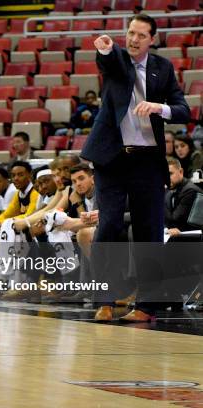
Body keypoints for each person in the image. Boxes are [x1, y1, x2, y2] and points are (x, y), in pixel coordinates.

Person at [81, 14, 190, 322]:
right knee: (109, 225)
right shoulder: (117, 62)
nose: (133, 39)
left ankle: (146, 306)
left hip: (147, 162)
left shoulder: (162, 68)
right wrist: (106, 49)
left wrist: (160, 107)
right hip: (112, 160)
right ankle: (105, 300)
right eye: (130, 33)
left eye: (141, 35)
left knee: (148, 233)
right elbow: (111, 62)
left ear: (151, 39)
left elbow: (183, 110)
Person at [165, 157, 202, 237]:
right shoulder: (170, 188)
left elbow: (173, 219)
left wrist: (158, 197)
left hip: (192, 239)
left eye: (170, 173)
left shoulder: (190, 191)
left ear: (181, 172)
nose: (166, 178)